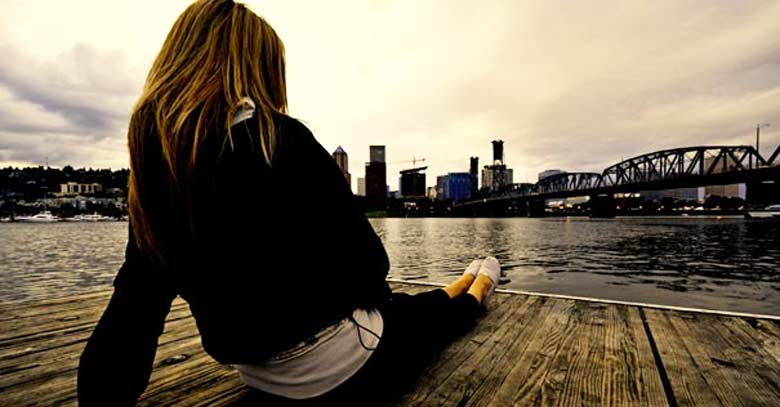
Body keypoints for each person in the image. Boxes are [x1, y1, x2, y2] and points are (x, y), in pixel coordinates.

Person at [76, 0, 502, 405]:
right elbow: (372, 266)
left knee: (406, 313)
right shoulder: (281, 139)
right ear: (255, 69)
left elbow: (133, 316)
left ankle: (454, 287)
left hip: (257, 371)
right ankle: (477, 286)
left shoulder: (159, 172)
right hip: (338, 369)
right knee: (427, 323)